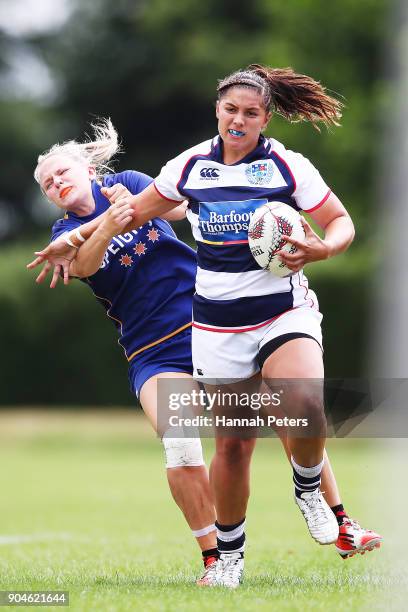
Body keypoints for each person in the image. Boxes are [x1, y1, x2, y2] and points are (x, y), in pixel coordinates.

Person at [29, 100, 382, 588]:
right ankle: (217, 558)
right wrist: (110, 221)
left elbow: (179, 204)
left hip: (209, 324)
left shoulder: (128, 182)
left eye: (61, 172)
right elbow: (88, 265)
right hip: (153, 350)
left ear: (88, 168)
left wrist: (141, 202)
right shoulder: (64, 237)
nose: (56, 184)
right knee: (180, 441)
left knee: (291, 412)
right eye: (47, 184)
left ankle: (340, 519)